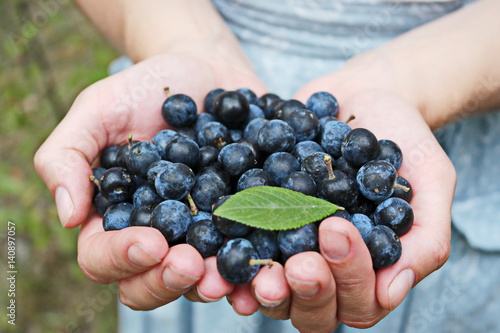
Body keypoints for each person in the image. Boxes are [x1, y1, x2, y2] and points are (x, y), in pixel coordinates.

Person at [34, 0, 500, 332]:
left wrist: (409, 83)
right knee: (189, 252)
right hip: (200, 48)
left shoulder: (344, 166)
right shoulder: (198, 154)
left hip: (450, 81)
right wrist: (184, 42)